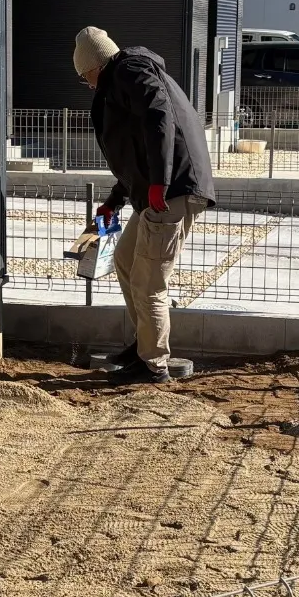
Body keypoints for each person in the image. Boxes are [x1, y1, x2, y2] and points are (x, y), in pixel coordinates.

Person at [72, 26, 217, 383]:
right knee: (125, 259)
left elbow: (159, 120)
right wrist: (113, 203)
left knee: (149, 281)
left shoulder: (130, 72)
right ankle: (144, 346)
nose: (88, 85)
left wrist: (159, 182)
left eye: (85, 77)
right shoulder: (123, 78)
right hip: (163, 190)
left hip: (173, 192)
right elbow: (136, 153)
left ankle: (153, 366)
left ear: (95, 65)